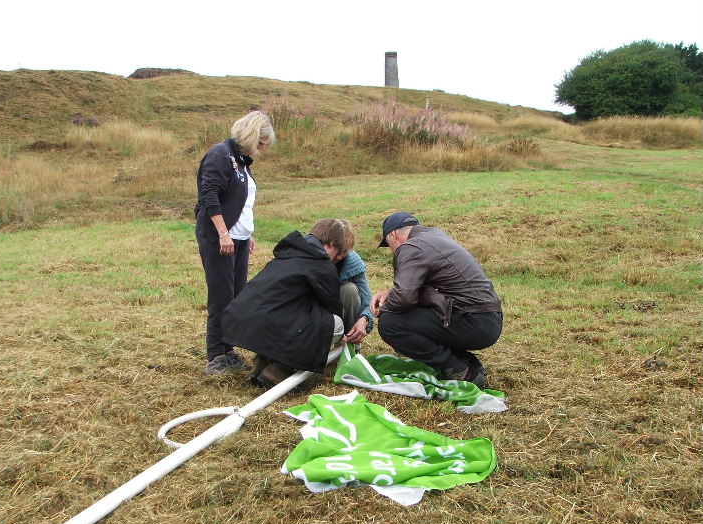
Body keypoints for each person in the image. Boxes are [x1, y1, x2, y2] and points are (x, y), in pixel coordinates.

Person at [370, 211, 503, 388]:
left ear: (393, 235)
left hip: (473, 320)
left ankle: (460, 371)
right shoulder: (435, 237)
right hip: (487, 317)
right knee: (415, 316)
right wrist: (391, 292)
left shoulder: (411, 247)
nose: (392, 251)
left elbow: (404, 298)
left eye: (389, 245)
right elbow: (427, 286)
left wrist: (382, 311)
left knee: (390, 324)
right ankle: (469, 363)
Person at [221, 219, 356, 388]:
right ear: (332, 244)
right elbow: (332, 305)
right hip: (270, 322)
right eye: (339, 254)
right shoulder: (321, 264)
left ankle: (262, 360)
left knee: (290, 316)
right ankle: (280, 369)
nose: (339, 258)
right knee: (334, 324)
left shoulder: (286, 253)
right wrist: (344, 335)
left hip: (242, 317)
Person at [195, 110, 275, 375]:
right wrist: (223, 233)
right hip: (220, 239)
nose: (262, 148)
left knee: (236, 296)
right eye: (261, 142)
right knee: (221, 296)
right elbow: (209, 195)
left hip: (238, 239)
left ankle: (228, 350)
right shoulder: (220, 155)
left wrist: (246, 233)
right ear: (251, 135)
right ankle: (215, 355)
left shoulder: (241, 161)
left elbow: (241, 202)